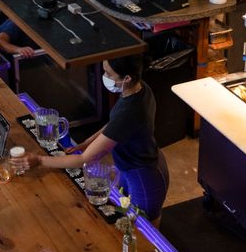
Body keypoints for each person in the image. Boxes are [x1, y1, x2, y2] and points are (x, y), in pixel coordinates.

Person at [11, 55, 169, 224]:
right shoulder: (140, 89)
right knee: (124, 220)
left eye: (108, 74)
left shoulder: (131, 111)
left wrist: (39, 160)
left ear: (127, 78)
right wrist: (87, 143)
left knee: (145, 232)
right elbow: (114, 125)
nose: (104, 77)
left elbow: (83, 159)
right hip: (133, 167)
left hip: (144, 178)